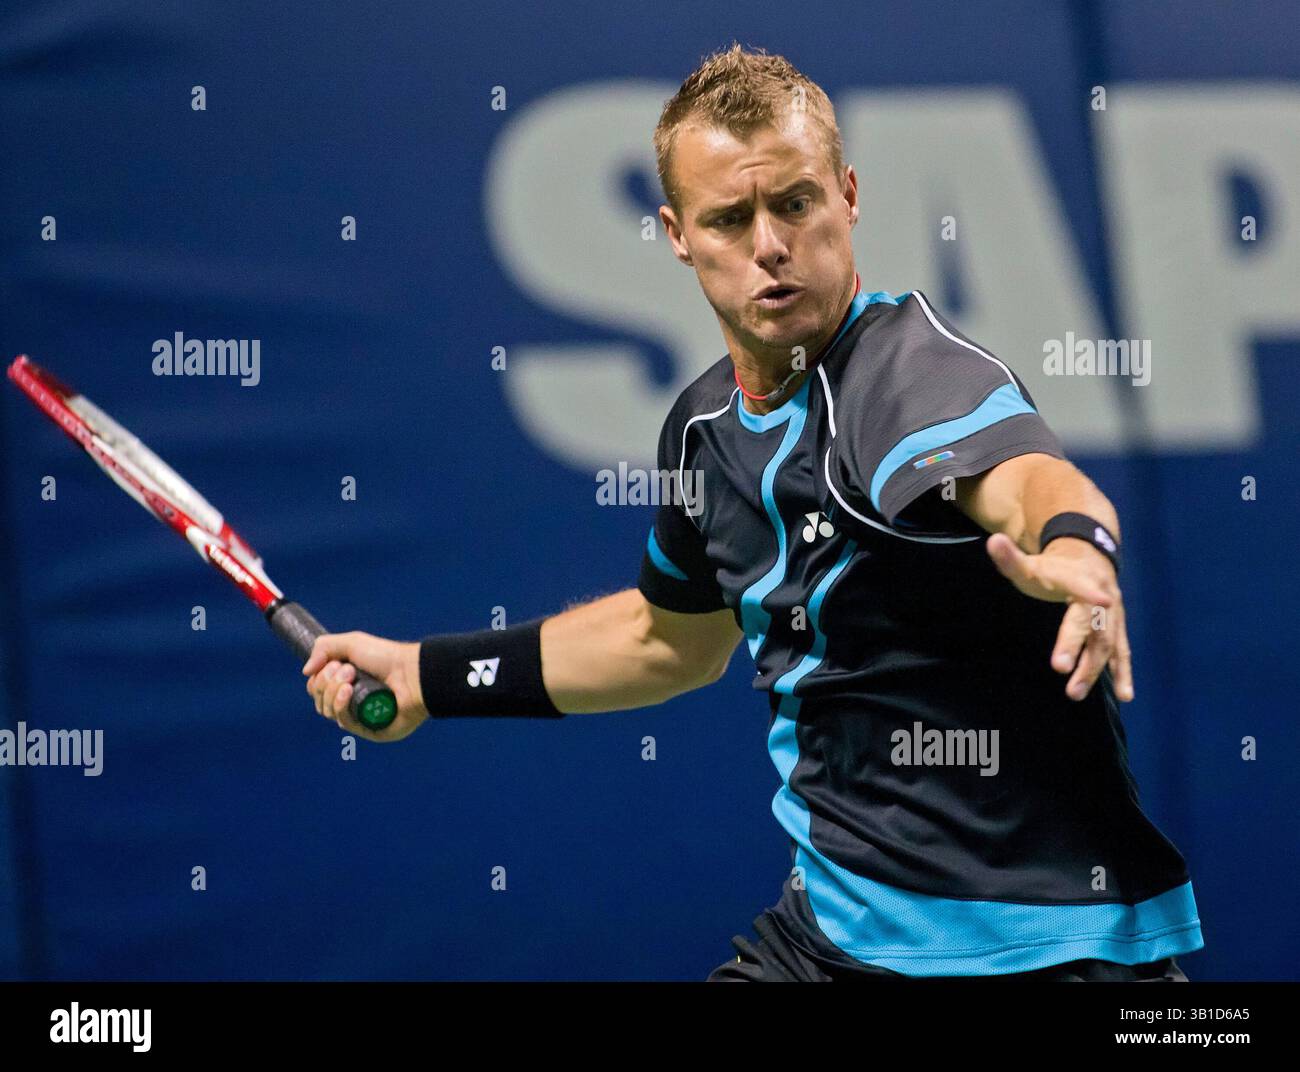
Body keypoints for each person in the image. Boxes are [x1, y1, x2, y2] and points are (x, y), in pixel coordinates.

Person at [302, 44, 1203, 982]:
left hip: (1049, 951)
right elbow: (668, 643)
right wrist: (424, 675)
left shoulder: (911, 376)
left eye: (797, 204)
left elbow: (1030, 480)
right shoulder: (703, 433)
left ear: (848, 196)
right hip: (830, 943)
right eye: (730, 218)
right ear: (678, 233)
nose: (769, 245)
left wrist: (1081, 548)